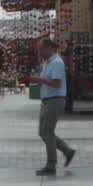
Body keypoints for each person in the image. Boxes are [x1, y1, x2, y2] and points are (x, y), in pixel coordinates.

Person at [25, 38, 76, 175]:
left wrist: (38, 79)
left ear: (49, 48)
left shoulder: (57, 62)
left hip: (55, 100)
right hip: (46, 100)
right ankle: (67, 151)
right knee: (43, 132)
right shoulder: (47, 62)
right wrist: (34, 80)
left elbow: (56, 83)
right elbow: (46, 81)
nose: (39, 52)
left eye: (41, 49)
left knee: (47, 132)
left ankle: (51, 165)